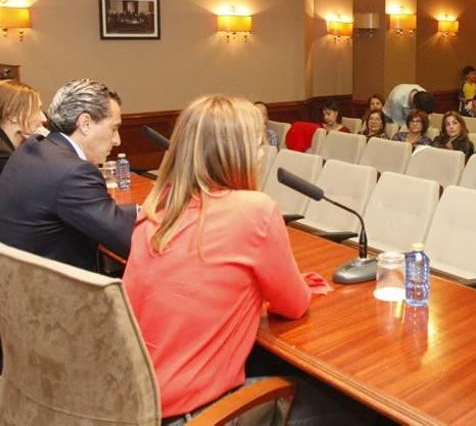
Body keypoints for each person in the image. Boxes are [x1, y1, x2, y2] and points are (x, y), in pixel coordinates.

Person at [122, 95, 311, 422]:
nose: (262, 152)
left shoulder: (154, 216)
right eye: (256, 144)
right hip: (198, 412)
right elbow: (293, 306)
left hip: (137, 405)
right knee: (343, 407)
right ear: (234, 154)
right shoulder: (255, 210)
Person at [0, 78, 136, 271]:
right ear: (85, 123)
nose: (117, 141)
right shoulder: (74, 172)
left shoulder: (35, 147)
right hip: (54, 294)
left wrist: (141, 211)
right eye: (114, 128)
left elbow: (98, 213)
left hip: (16, 282)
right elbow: (128, 241)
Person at [0, 80, 46, 175]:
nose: (44, 118)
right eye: (36, 110)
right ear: (13, 115)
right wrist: (47, 145)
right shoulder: (5, 158)